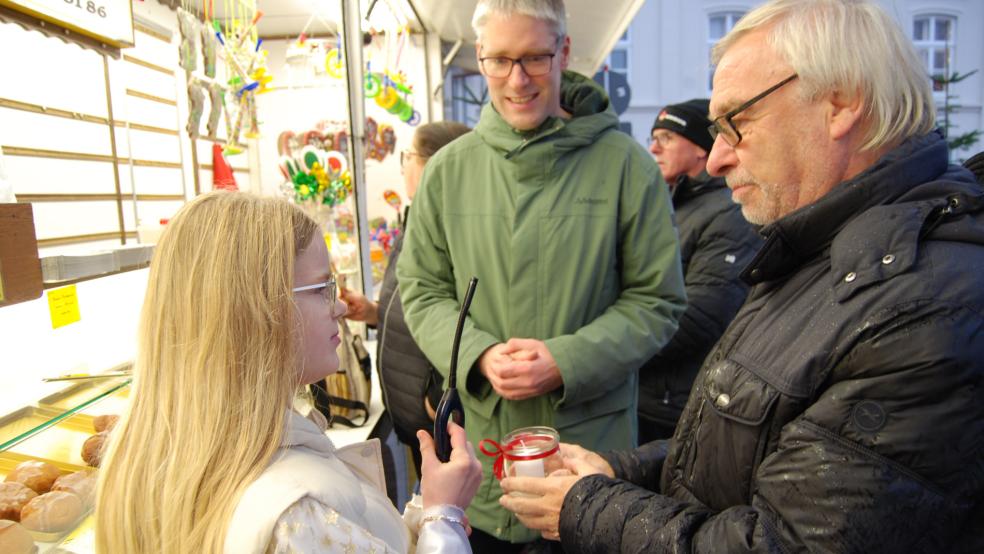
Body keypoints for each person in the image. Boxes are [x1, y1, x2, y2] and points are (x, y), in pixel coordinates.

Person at [498, 0, 984, 551]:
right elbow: (759, 451)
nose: (715, 159)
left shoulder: (922, 305)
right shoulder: (825, 252)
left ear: (842, 102)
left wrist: (588, 507)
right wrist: (617, 472)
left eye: (737, 121)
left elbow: (787, 541)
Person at [396, 0, 687, 550]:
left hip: (585, 464)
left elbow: (658, 301)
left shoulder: (627, 168)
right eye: (500, 61)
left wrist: (565, 361)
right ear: (480, 58)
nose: (517, 79)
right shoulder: (449, 172)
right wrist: (478, 354)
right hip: (481, 466)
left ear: (565, 53)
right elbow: (422, 288)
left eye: (534, 57)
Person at [95, 191, 483, 553]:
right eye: (320, 289)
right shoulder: (297, 515)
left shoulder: (160, 459)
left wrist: (425, 516)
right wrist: (443, 519)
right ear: (255, 312)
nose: (340, 308)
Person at [341, 121, 471, 478]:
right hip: (415, 413)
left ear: (436, 163)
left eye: (409, 156)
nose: (404, 166)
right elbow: (421, 301)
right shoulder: (420, 218)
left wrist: (436, 391)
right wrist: (373, 313)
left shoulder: (453, 226)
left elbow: (463, 313)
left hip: (435, 416)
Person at [639, 99, 760, 441]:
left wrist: (619, 347)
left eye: (666, 137)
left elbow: (703, 316)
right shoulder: (675, 204)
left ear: (699, 148)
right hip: (651, 393)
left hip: (674, 404)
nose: (653, 147)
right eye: (653, 137)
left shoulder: (727, 211)